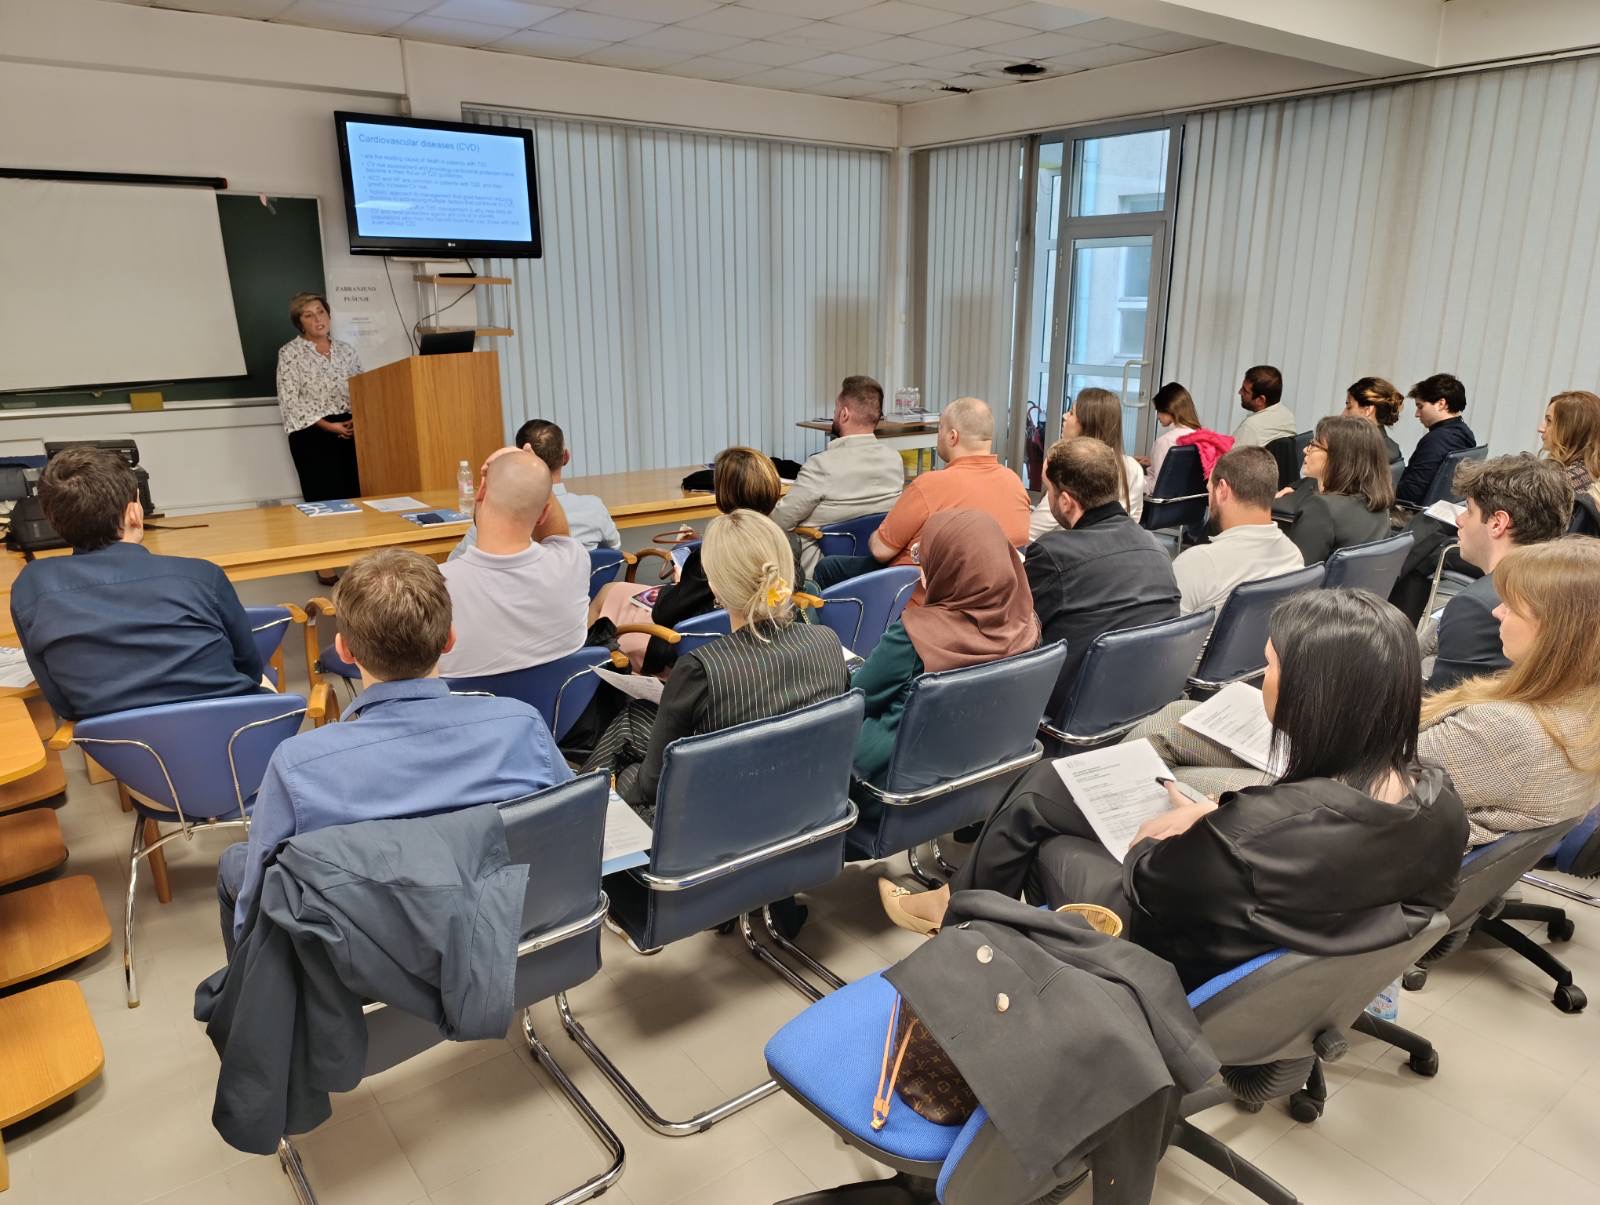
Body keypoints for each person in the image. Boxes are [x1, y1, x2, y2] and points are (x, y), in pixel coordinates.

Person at [881, 590, 1468, 992]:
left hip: (1182, 962)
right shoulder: (1441, 805)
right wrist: (1223, 820)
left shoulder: (1253, 832)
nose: (1264, 678)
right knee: (1046, 789)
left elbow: (1148, 883)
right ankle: (962, 911)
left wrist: (1190, 831)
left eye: (1271, 667)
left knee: (1043, 834)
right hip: (1281, 961)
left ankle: (971, 952)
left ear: (1312, 696)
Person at [216, 548, 572, 952]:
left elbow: (258, 909)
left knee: (236, 864)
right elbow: (571, 827)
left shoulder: (298, 767)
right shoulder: (521, 726)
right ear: (449, 639)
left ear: (345, 651)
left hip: (362, 967)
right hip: (502, 941)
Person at [582, 510, 850, 819]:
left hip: (720, 821)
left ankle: (580, 815)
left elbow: (652, 786)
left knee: (628, 776)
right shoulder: (828, 641)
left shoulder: (701, 669)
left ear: (715, 587)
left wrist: (624, 786)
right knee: (635, 717)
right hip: (805, 803)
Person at [11, 448, 265, 721]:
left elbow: (63, 704)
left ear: (52, 519)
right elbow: (250, 670)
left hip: (118, 744)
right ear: (134, 512)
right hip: (233, 730)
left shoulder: (32, 586)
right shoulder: (202, 576)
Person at [1419, 537, 1600, 846]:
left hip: (1384, 853)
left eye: (1511, 606)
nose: (1497, 612)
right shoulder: (1583, 711)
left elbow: (1371, 778)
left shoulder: (1507, 729)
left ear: (1557, 631)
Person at [853, 510, 1039, 784]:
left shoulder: (915, 635)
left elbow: (857, 698)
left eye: (924, 557)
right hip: (985, 771)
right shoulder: (1026, 623)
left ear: (946, 568)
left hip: (886, 781)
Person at [590, 447, 802, 673]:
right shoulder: (788, 542)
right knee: (615, 591)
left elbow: (664, 613)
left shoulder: (712, 555)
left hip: (692, 648)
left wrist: (680, 578)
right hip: (756, 639)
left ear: (723, 494)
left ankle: (582, 672)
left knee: (608, 594)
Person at [811, 397, 1030, 592]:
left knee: (827, 568)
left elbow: (880, 550)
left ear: (952, 436)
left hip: (918, 596)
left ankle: (820, 626)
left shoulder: (930, 485)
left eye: (940, 429)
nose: (938, 436)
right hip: (990, 598)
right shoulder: (1015, 483)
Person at [1026, 437, 1179, 715]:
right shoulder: (1157, 549)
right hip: (1144, 702)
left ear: (1066, 501)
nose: (1047, 499)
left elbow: (1019, 634)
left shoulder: (1053, 554)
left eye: (1049, 491)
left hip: (1068, 709)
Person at [1422, 455, 1572, 690]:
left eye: (1469, 510)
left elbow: (1444, 702)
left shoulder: (1477, 606)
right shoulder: (1565, 587)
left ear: (1497, 523)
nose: (1460, 520)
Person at [436, 449, 588, 679]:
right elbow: (558, 536)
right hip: (559, 703)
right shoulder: (573, 560)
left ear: (481, 491)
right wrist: (536, 475)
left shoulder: (435, 588)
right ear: (544, 513)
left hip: (465, 704)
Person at [770, 374, 905, 576]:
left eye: (835, 409)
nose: (834, 414)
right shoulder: (894, 459)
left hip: (822, 576)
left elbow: (780, 521)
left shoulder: (821, 465)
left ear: (844, 414)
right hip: (875, 570)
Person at [450, 419, 620, 558]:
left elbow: (453, 563)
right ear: (566, 457)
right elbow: (614, 548)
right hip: (583, 589)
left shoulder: (497, 517)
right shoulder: (594, 508)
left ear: (518, 458)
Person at [1171, 446, 1303, 616]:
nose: (1209, 500)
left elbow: (1164, 631)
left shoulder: (1197, 564)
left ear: (1222, 490)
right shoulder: (1293, 555)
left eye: (1209, 490)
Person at [276, 292, 362, 505]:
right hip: (312, 434)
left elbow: (362, 387)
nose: (318, 319)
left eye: (321, 312)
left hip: (351, 431)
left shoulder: (346, 350)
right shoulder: (290, 353)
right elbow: (289, 402)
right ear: (300, 323)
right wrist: (329, 426)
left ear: (329, 315)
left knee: (358, 498)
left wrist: (357, 417)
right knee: (326, 502)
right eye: (309, 315)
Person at [1276, 415, 1393, 564]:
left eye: (1314, 445)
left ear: (1339, 457)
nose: (1305, 450)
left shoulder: (1321, 508)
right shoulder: (1379, 504)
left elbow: (1295, 569)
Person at [1028, 388, 1142, 539]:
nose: (1064, 416)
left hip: (1070, 550)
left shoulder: (1072, 467)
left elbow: (1030, 533)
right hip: (1118, 547)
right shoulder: (1134, 467)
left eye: (1071, 413)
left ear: (1088, 424)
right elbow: (1134, 519)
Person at [1396, 373, 1475, 507]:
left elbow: (1410, 493)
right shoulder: (1465, 434)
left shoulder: (1437, 440)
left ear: (1441, 404)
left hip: (1410, 512)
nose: (1417, 414)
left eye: (1420, 406)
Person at [1537, 389, 1600, 499]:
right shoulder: (1587, 474)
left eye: (1549, 421)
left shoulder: (1563, 483)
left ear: (1572, 430)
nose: (1541, 428)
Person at [1141, 382, 1201, 492]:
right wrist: (1154, 461)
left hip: (1160, 501)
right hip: (1191, 500)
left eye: (1159, 410)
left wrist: (1133, 478)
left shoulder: (1165, 442)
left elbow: (1158, 487)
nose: (1158, 416)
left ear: (1170, 409)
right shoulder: (1200, 436)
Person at [1231, 364, 1297, 448]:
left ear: (1260, 400)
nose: (1240, 392)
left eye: (1245, 391)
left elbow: (1227, 456)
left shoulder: (1251, 427)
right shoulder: (1288, 416)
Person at [1343, 376, 1405, 464]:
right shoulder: (1393, 449)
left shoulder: (1356, 452)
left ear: (1368, 410)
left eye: (1349, 406)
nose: (1343, 414)